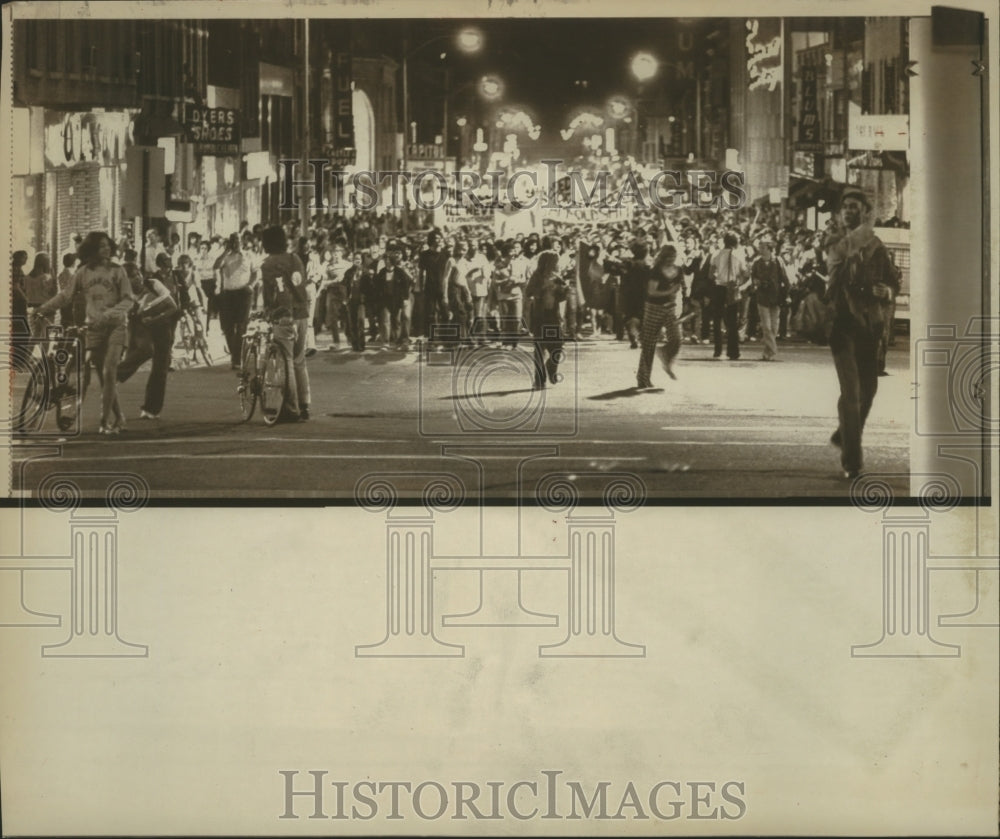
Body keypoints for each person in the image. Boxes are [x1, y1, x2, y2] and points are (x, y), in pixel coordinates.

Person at [825, 187, 900, 479]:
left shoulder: (877, 246)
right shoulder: (834, 240)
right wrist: (865, 233)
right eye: (845, 206)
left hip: (869, 326)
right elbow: (837, 260)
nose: (848, 211)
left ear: (865, 211)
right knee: (852, 393)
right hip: (841, 325)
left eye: (855, 206)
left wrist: (887, 291)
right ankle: (852, 462)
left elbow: (893, 279)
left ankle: (845, 433)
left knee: (868, 391)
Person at [34, 232, 134, 435]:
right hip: (94, 328)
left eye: (108, 245)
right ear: (91, 250)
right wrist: (43, 308)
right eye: (101, 246)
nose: (106, 249)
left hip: (116, 326)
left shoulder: (118, 270)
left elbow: (128, 299)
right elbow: (65, 296)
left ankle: (104, 421)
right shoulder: (83, 273)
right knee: (104, 377)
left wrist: (110, 314)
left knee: (109, 371)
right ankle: (119, 417)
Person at [117, 252, 181, 420]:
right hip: (140, 326)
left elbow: (172, 306)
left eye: (138, 273)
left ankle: (151, 408)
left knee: (160, 368)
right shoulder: (124, 294)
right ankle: (116, 375)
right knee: (143, 350)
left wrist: (154, 319)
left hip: (162, 326)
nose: (137, 278)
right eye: (132, 276)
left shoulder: (153, 283)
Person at [259, 225, 311, 421]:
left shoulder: (269, 264)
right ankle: (304, 404)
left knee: (285, 361)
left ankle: (290, 408)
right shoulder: (294, 258)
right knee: (299, 361)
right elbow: (300, 283)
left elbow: (272, 292)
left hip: (284, 315)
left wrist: (268, 311)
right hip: (302, 313)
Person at [636, 245, 684, 389]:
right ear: (663, 257)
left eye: (673, 257)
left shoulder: (679, 270)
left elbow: (679, 289)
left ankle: (666, 356)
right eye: (668, 257)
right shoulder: (656, 271)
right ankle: (643, 378)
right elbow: (652, 291)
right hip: (653, 307)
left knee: (676, 338)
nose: (671, 259)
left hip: (670, 307)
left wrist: (679, 302)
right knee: (649, 344)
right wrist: (669, 291)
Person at [524, 250, 567, 390]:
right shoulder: (537, 276)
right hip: (540, 316)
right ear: (549, 263)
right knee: (539, 349)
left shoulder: (557, 277)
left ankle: (551, 367)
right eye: (556, 261)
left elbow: (563, 296)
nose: (558, 264)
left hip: (554, 315)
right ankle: (539, 380)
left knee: (558, 347)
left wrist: (563, 289)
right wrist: (544, 288)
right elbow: (528, 292)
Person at [710, 232, 750, 360]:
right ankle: (732, 351)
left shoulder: (716, 254)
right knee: (732, 320)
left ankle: (717, 350)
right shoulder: (738, 255)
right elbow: (745, 273)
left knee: (717, 319)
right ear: (735, 242)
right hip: (732, 287)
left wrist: (718, 276)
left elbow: (711, 274)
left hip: (719, 287)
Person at [216, 233, 254, 369]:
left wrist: (251, 285)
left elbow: (256, 272)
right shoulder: (225, 256)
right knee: (228, 327)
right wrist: (225, 251)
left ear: (242, 242)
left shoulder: (248, 255)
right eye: (232, 241)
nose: (235, 243)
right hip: (228, 294)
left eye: (237, 241)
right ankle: (235, 353)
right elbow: (216, 266)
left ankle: (237, 359)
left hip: (243, 293)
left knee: (241, 326)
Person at [750, 238, 790, 361]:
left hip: (776, 296)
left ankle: (767, 353)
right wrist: (756, 282)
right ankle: (773, 349)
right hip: (762, 297)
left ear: (769, 249)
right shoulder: (757, 262)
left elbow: (785, 278)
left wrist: (787, 294)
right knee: (766, 326)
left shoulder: (778, 261)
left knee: (774, 326)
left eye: (763, 247)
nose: (760, 250)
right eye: (760, 247)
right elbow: (753, 277)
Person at [620, 242, 650, 350]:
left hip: (630, 294)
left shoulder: (628, 264)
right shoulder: (647, 266)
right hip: (644, 294)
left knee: (630, 315)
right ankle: (640, 337)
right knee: (642, 316)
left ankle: (633, 336)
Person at [24, 253, 57, 339]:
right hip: (46, 309)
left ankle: (28, 349)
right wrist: (54, 278)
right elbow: (54, 293)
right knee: (46, 337)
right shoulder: (46, 277)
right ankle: (44, 349)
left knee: (36, 336)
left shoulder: (27, 278)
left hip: (33, 310)